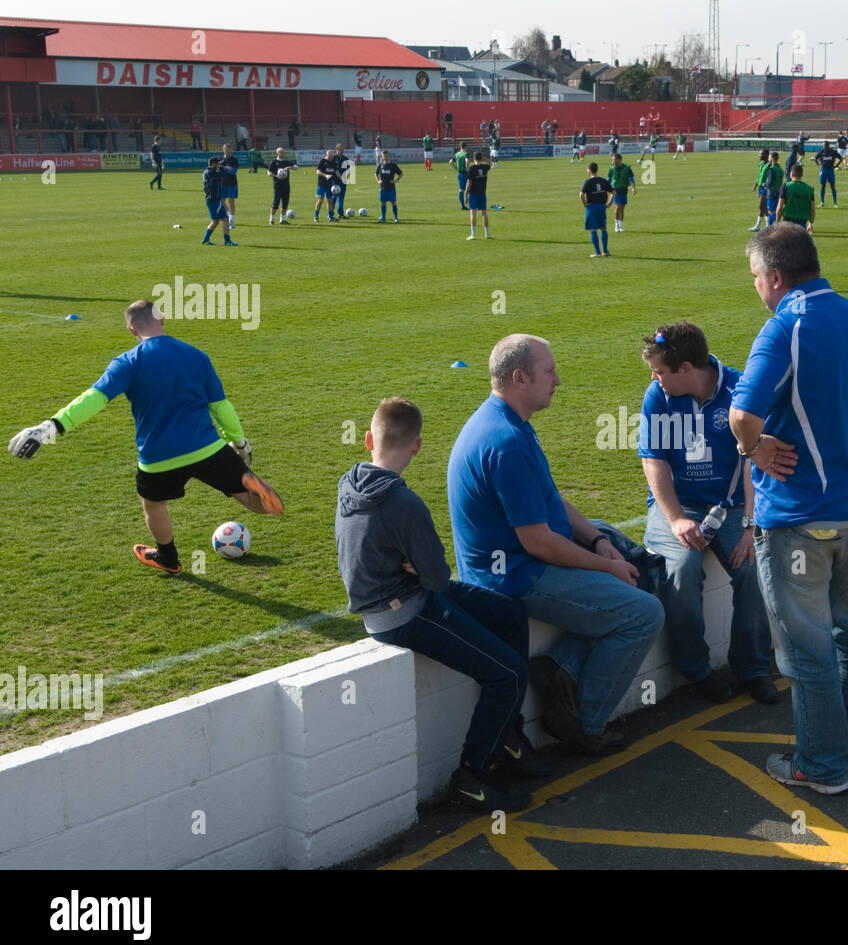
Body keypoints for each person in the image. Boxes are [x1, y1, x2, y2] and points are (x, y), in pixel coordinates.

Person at [729, 223, 848, 795]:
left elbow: (740, 415)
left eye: (755, 277)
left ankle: (820, 766)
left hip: (802, 517)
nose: (755, 288)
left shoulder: (783, 328)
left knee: (807, 649)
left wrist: (756, 450)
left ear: (774, 276)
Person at [446, 335, 664, 756]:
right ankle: (585, 724)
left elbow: (551, 500)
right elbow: (540, 543)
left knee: (636, 562)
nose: (558, 381)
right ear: (520, 377)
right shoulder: (507, 442)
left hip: (519, 559)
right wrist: (607, 567)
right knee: (643, 612)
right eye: (550, 372)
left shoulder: (505, 423)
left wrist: (599, 541)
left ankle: (559, 667)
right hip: (515, 576)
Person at [335, 397, 546, 812]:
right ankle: (471, 775)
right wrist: (419, 570)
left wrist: (417, 568)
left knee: (510, 612)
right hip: (405, 613)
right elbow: (435, 576)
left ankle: (506, 734)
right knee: (508, 674)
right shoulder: (404, 504)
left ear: (367, 440)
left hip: (388, 601)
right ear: (416, 447)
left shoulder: (349, 485)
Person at [8, 299, 282, 573]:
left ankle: (168, 559)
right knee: (247, 498)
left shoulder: (127, 362)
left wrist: (51, 427)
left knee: (153, 504)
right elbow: (221, 407)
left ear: (131, 330)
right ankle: (257, 491)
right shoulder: (196, 355)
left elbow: (93, 399)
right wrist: (238, 441)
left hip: (158, 457)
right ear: (161, 320)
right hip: (207, 448)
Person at [639, 323, 777, 705]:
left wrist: (751, 524)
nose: (654, 378)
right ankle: (696, 669)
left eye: (660, 371)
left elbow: (753, 462)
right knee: (681, 569)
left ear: (686, 368)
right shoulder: (660, 397)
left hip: (732, 507)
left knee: (754, 568)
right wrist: (676, 518)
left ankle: (753, 667)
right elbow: (655, 463)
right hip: (679, 506)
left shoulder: (738, 392)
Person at [579, 161, 613, 258]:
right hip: (602, 207)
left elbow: (581, 194)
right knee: (603, 229)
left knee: (593, 230)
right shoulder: (603, 181)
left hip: (592, 207)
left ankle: (598, 252)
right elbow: (613, 192)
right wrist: (609, 204)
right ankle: (605, 251)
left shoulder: (588, 182)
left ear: (589, 170)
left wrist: (585, 204)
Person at [202, 156, 237, 246]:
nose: (218, 165)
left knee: (215, 221)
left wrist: (221, 168)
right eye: (217, 163)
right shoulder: (211, 173)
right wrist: (225, 168)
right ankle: (227, 241)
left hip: (212, 200)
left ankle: (205, 240)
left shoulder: (207, 171)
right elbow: (222, 175)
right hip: (214, 200)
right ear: (213, 164)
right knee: (225, 219)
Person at [775, 163, 816, 231]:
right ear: (802, 175)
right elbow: (812, 210)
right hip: (802, 225)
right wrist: (811, 224)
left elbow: (779, 207)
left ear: (791, 173)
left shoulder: (785, 186)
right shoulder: (810, 189)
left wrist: (777, 223)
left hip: (788, 223)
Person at [463, 150, 491, 239]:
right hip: (482, 193)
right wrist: (484, 158)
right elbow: (490, 163)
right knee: (484, 213)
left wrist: (465, 195)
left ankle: (473, 235)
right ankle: (487, 234)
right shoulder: (485, 167)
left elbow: (469, 183)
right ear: (481, 158)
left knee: (473, 214)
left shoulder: (472, 168)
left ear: (474, 158)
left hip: (473, 194)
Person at [266, 147, 297, 225]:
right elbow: (269, 173)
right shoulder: (273, 162)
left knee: (285, 203)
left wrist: (289, 167)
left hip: (286, 185)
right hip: (278, 185)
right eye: (281, 152)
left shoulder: (286, 162)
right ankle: (271, 219)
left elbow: (296, 167)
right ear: (277, 153)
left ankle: (282, 220)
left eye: (283, 152)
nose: (282, 154)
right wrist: (277, 176)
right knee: (276, 202)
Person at [607, 152, 636, 233]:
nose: (612, 161)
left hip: (624, 190)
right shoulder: (611, 168)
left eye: (614, 160)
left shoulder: (627, 168)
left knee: (622, 209)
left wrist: (633, 188)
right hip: (615, 190)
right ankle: (616, 225)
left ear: (619, 160)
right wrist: (606, 188)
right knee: (617, 207)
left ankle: (620, 225)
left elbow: (631, 178)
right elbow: (609, 179)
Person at [375, 149, 402, 223]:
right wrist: (378, 180)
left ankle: (396, 218)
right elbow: (376, 173)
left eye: (386, 155)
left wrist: (395, 181)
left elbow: (400, 173)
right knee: (382, 202)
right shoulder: (380, 165)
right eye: (384, 156)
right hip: (382, 188)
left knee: (393, 202)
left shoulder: (393, 165)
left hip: (391, 188)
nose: (385, 157)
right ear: (382, 156)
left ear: (388, 156)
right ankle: (383, 217)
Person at [813, 140, 839, 208]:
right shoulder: (821, 152)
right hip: (823, 171)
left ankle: (835, 203)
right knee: (822, 186)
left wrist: (836, 165)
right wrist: (819, 165)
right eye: (823, 145)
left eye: (826, 145)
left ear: (828, 145)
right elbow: (815, 158)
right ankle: (822, 202)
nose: (824, 146)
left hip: (830, 170)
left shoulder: (833, 152)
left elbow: (840, 158)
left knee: (832, 186)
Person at [218, 143, 239, 228]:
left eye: (229, 149)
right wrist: (227, 168)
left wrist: (224, 168)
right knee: (221, 201)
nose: (227, 151)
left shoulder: (234, 160)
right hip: (222, 183)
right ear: (223, 150)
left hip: (232, 183)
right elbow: (218, 170)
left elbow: (233, 171)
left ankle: (231, 220)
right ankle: (227, 215)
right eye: (226, 149)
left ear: (231, 150)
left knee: (231, 202)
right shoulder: (220, 159)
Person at [749, 149, 771, 232]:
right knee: (763, 207)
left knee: (761, 206)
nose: (759, 155)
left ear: (766, 155)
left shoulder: (769, 165)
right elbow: (759, 175)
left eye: (760, 154)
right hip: (760, 188)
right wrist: (755, 185)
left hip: (765, 188)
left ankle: (761, 226)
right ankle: (766, 226)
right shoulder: (761, 163)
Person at [314, 149, 337, 222]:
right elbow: (317, 171)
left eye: (332, 156)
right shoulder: (322, 161)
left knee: (330, 201)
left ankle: (330, 217)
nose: (332, 157)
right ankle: (316, 216)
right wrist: (325, 175)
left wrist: (342, 178)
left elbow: (336, 171)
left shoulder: (333, 162)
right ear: (327, 155)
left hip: (330, 185)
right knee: (320, 200)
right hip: (321, 184)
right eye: (331, 156)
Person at [762, 151, 784, 226]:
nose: (768, 159)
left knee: (772, 212)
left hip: (771, 193)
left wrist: (764, 184)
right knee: (771, 212)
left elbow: (770, 183)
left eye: (769, 157)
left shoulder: (772, 169)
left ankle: (779, 229)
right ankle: (768, 228)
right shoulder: (780, 169)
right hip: (778, 193)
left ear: (772, 158)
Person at [449, 141, 470, 210]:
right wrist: (467, 169)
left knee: (461, 189)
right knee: (469, 189)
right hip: (466, 173)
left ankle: (463, 206)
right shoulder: (466, 154)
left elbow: (450, 162)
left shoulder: (457, 154)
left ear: (460, 146)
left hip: (460, 173)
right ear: (466, 146)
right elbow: (467, 161)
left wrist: (455, 168)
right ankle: (472, 205)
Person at [331, 143, 350, 218]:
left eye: (343, 149)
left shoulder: (345, 158)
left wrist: (346, 176)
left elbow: (349, 169)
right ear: (337, 149)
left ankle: (340, 214)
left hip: (343, 181)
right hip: (334, 181)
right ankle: (331, 213)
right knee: (333, 198)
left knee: (341, 198)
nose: (342, 150)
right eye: (341, 149)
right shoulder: (333, 158)